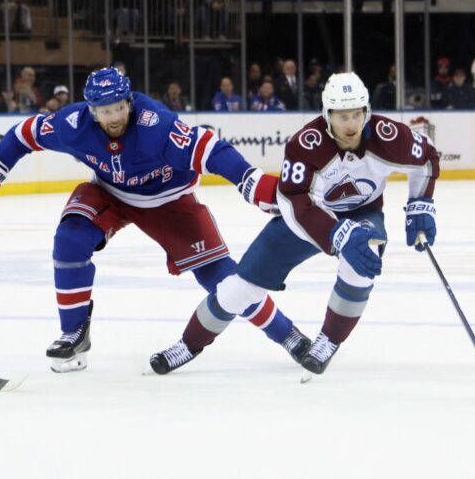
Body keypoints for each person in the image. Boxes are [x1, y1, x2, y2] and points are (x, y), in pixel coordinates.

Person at [0, 67, 297, 373]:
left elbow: (211, 150)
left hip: (170, 202)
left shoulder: (156, 126)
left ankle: (288, 335)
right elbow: (25, 133)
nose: (115, 116)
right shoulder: (73, 125)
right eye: (106, 111)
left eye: (120, 106)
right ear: (92, 111)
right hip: (112, 194)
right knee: (70, 240)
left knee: (222, 281)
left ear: (129, 102)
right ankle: (74, 333)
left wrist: (250, 180)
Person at [149, 72, 440, 376]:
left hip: (361, 212)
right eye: (342, 116)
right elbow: (294, 200)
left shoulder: (388, 135)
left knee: (364, 262)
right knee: (239, 289)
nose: (351, 124)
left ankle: (328, 341)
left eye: (357, 114)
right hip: (304, 219)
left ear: (366, 112)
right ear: (327, 115)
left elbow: (427, 158)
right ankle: (189, 344)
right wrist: (335, 233)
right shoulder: (306, 144)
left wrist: (421, 204)